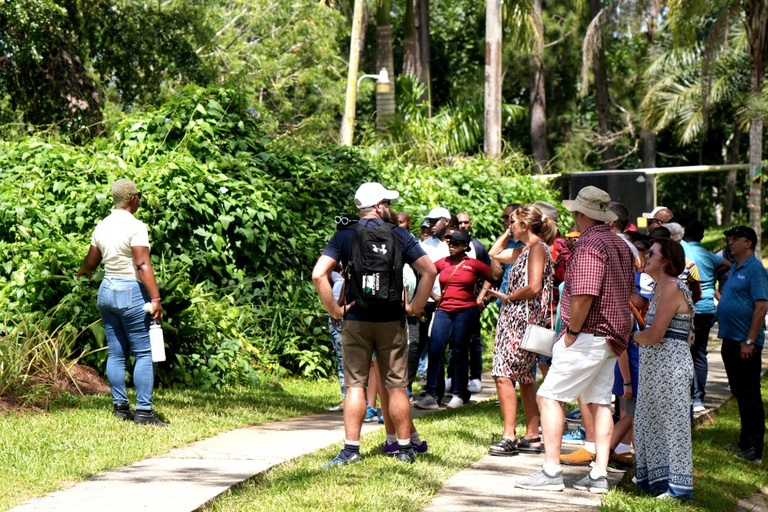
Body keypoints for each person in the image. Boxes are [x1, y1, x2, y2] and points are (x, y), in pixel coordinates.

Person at [515, 186, 633, 494]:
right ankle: (598, 475)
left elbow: (584, 294)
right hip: (613, 334)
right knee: (600, 402)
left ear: (581, 214)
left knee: (549, 396)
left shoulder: (590, 243)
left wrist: (571, 332)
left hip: (589, 333)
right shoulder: (618, 242)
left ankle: (551, 472)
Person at [312, 182, 436, 467]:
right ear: (378, 206)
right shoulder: (400, 234)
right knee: (395, 386)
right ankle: (405, 449)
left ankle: (351, 450)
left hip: (356, 320)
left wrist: (336, 309)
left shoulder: (344, 235)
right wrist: (415, 308)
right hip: (391, 320)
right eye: (387, 203)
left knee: (355, 386)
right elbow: (429, 270)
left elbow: (319, 274)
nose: (390, 208)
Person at [76, 179, 167, 426]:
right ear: (133, 199)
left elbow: (92, 262)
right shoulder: (136, 226)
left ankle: (120, 407)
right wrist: (156, 298)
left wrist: (83, 270)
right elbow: (142, 264)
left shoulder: (102, 226)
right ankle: (145, 412)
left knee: (116, 353)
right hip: (131, 291)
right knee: (143, 352)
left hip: (107, 291)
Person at [484, 204, 556, 456]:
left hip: (521, 320)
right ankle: (532, 435)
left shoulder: (536, 249)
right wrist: (509, 232)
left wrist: (509, 297)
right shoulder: (526, 249)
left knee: (503, 374)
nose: (509, 225)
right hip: (521, 319)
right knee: (525, 378)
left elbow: (535, 286)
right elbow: (495, 252)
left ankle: (508, 436)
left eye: (512, 222)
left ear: (525, 225)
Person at [632, 238, 695, 500]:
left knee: (672, 426)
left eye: (651, 253)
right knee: (649, 422)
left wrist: (632, 337)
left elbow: (656, 334)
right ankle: (658, 482)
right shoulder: (659, 286)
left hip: (670, 367)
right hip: (655, 366)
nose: (645, 256)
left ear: (665, 260)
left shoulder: (671, 287)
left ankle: (678, 488)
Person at [415, 229, 490, 410]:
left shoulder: (474, 264)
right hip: (443, 310)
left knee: (459, 352)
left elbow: (493, 276)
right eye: (449, 243)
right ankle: (432, 394)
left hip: (466, 312)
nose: (451, 246)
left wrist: (482, 299)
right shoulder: (442, 263)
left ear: (465, 246)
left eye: (456, 243)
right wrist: (433, 296)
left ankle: (459, 394)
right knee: (435, 349)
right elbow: (424, 274)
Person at [716, 225, 766, 464]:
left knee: (750, 394)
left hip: (744, 343)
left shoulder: (755, 269)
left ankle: (755, 449)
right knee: (739, 392)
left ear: (748, 243)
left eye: (736, 239)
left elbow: (762, 306)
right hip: (730, 339)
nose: (730, 242)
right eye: (730, 239)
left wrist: (750, 340)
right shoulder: (736, 267)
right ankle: (744, 442)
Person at [684, 220, 731, 412]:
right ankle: (698, 398)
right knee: (700, 353)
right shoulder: (708, 255)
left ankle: (687, 395)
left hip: (690, 307)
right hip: (707, 308)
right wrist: (711, 279)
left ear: (685, 232)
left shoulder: (683, 249)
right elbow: (727, 264)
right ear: (703, 236)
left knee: (686, 353)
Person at [457, 211, 491, 393]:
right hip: (453, 303)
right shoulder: (450, 245)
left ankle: (476, 377)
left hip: (473, 303)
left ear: (471, 224)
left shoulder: (478, 248)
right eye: (460, 223)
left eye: (466, 223)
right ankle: (452, 377)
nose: (463, 226)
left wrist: (482, 299)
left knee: (473, 340)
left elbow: (492, 274)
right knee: (454, 340)